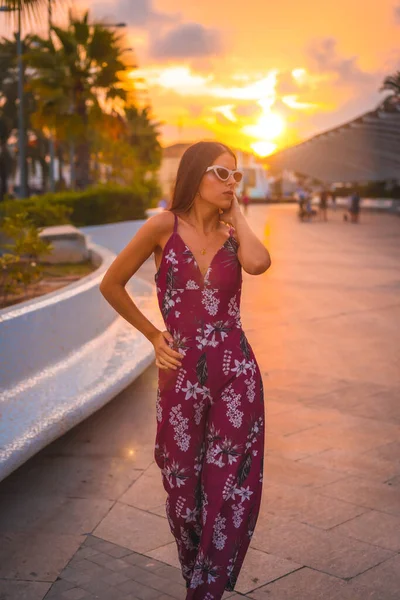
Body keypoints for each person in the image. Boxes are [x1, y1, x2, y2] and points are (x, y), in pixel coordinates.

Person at [100, 141, 271, 597]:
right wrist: (154, 336)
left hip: (236, 373)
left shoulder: (235, 235)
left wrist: (239, 215)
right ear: (194, 175)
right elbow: (110, 283)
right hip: (181, 375)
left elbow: (259, 263)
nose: (231, 182)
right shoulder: (161, 227)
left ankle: (207, 587)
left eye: (236, 176)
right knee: (181, 484)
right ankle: (197, 570)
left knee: (229, 484)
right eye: (221, 173)